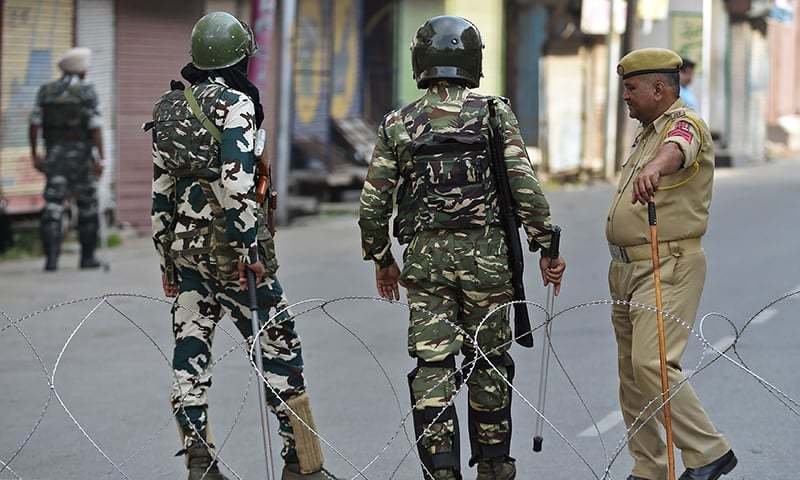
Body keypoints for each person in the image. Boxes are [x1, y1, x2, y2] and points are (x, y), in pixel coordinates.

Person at [358, 15, 565, 480]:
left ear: (421, 62)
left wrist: (382, 259)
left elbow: (373, 203)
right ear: (472, 61)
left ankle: (441, 469)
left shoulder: (399, 123)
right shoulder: (493, 114)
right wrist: (545, 245)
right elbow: (523, 185)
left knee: (432, 363)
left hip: (426, 262)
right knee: (490, 363)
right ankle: (493, 465)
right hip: (488, 261)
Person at [149, 12, 338, 480]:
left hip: (184, 251)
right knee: (279, 346)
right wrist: (250, 250)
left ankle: (198, 460)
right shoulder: (236, 103)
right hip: (234, 254)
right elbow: (237, 183)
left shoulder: (169, 106)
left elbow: (161, 191)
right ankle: (303, 466)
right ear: (237, 59)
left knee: (190, 351)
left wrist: (166, 261)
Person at [609, 48, 737, 480]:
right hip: (627, 269)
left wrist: (656, 169)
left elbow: (678, 149)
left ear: (659, 88)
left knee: (653, 363)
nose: (625, 96)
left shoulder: (685, 122)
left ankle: (708, 452)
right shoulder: (646, 131)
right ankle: (649, 468)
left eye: (631, 88)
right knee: (632, 377)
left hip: (668, 264)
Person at [29, 47, 104, 271]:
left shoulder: (46, 91)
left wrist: (35, 153)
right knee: (88, 206)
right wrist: (101, 159)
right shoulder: (87, 92)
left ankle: (51, 260)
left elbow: (34, 124)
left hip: (55, 157)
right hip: (82, 159)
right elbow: (96, 128)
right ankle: (87, 258)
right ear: (81, 70)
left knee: (53, 207)